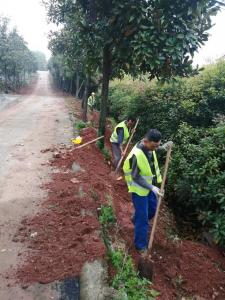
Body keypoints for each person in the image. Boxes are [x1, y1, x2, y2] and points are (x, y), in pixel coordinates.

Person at [123, 129, 173, 256]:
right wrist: (152, 188)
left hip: (149, 187)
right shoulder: (137, 154)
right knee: (143, 218)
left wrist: (165, 146)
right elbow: (135, 176)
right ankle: (140, 246)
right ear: (146, 141)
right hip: (139, 190)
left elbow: (157, 148)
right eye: (154, 146)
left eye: (157, 145)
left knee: (152, 209)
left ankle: (136, 219)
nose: (155, 148)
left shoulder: (149, 147)